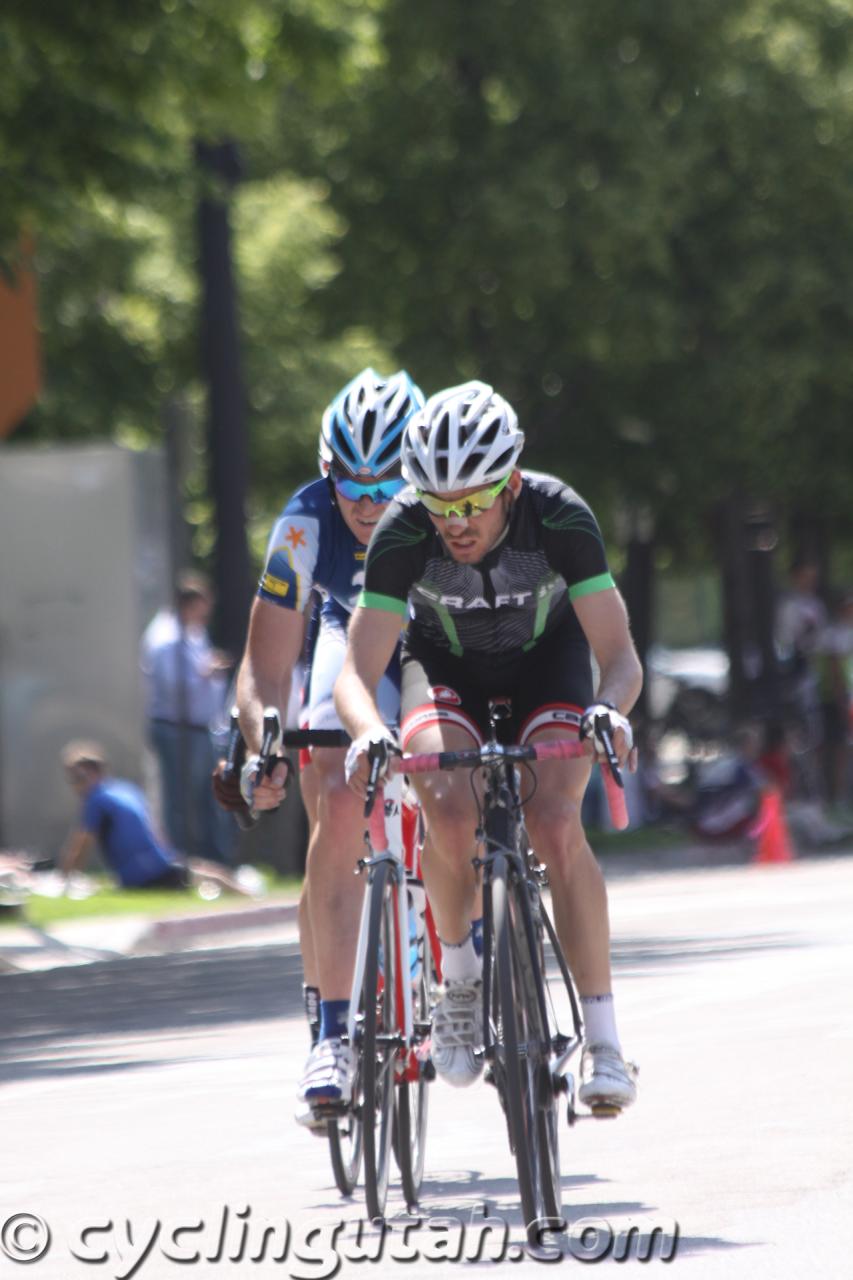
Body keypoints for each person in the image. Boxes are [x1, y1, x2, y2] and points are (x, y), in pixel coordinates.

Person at [335, 380, 642, 1112]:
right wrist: (368, 730)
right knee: (443, 807)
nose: (455, 522)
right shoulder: (405, 528)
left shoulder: (559, 514)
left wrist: (608, 711)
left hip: (548, 663)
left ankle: (603, 1040)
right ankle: (462, 977)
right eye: (440, 506)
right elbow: (357, 671)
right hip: (443, 667)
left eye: (471, 503)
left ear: (508, 481)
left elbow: (621, 657)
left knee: (555, 822)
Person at [233, 368, 425, 1124]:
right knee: (336, 795)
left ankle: (464, 962)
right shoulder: (304, 524)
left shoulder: (438, 513)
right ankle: (331, 1030)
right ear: (326, 473)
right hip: (346, 639)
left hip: (433, 638)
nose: (372, 503)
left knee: (456, 777)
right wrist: (264, 745)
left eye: (389, 484)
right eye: (354, 484)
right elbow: (266, 663)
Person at [59, 741, 250, 894]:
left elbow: (81, 844)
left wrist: (64, 878)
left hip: (143, 875)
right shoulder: (126, 790)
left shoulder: (97, 799)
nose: (76, 786)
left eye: (78, 779)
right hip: (159, 862)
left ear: (95, 773)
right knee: (201, 872)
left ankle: (247, 895)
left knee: (199, 875)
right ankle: (244, 891)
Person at [142, 572, 234, 864]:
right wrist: (205, 673)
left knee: (205, 794)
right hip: (175, 728)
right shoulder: (166, 639)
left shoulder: (194, 634)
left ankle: (209, 857)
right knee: (178, 797)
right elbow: (172, 686)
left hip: (198, 728)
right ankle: (179, 858)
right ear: (189, 604)